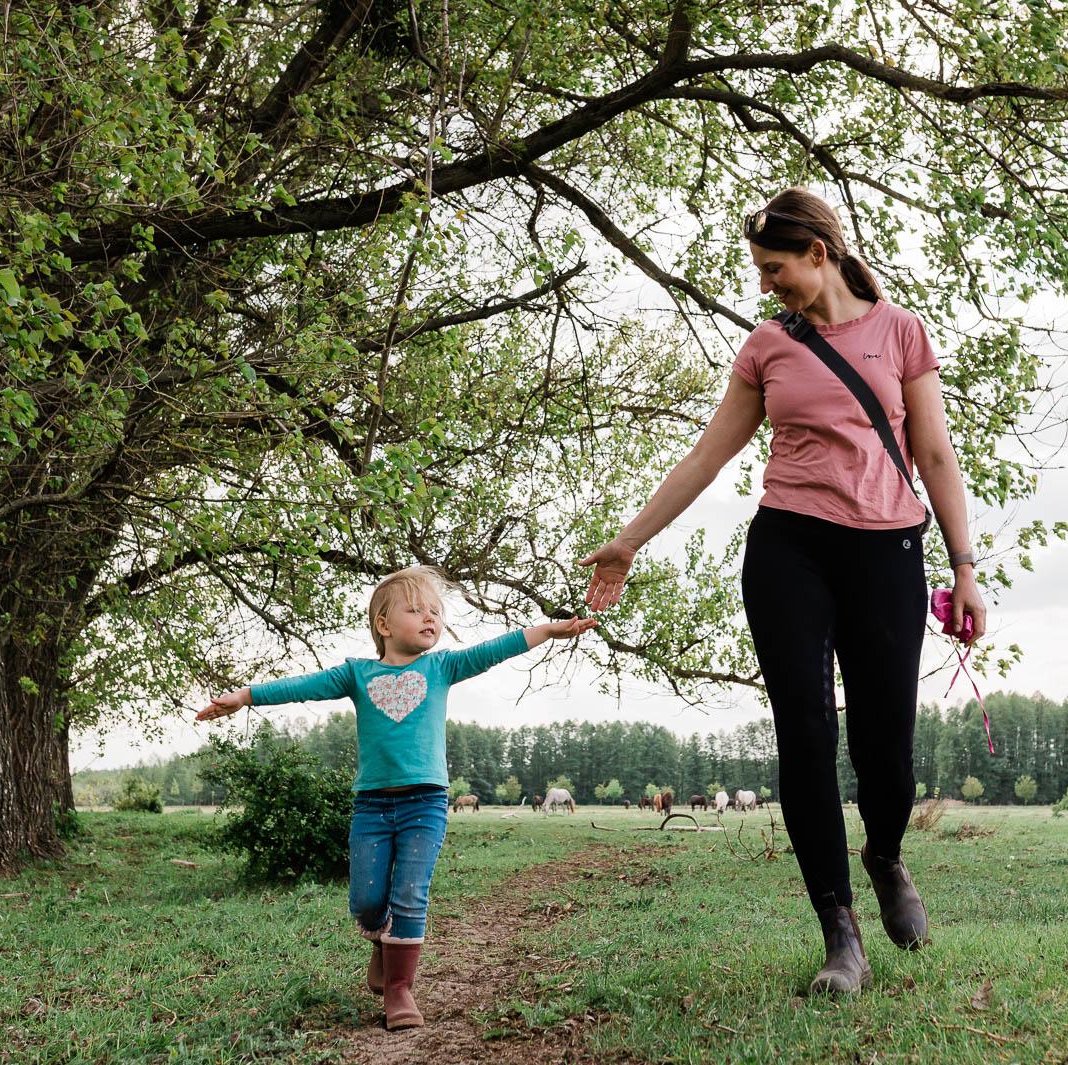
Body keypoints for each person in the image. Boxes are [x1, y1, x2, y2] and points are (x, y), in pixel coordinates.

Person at [580, 187, 987, 994]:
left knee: (885, 747)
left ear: (818, 254)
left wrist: (965, 566)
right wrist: (629, 540)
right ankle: (840, 932)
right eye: (761, 272)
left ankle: (885, 854)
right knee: (803, 733)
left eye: (775, 269)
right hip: (789, 550)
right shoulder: (767, 346)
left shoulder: (900, 331)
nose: (766, 285)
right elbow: (707, 456)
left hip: (887, 552)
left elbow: (937, 454)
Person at [196, 565, 595, 1029]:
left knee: (410, 894)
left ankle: (399, 989)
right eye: (417, 609)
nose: (430, 618)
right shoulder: (357, 674)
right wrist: (245, 696)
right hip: (371, 806)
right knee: (367, 901)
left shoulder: (442, 666)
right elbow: (303, 686)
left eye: (436, 612)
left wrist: (547, 630)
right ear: (384, 624)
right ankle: (381, 941)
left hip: (426, 804)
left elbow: (495, 649)